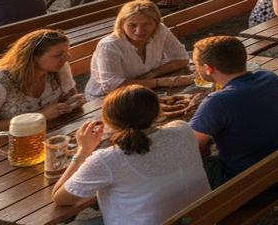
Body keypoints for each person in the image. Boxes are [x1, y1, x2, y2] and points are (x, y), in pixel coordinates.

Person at [53, 84, 210, 224]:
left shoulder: (106, 159)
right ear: (158, 112)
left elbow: (61, 199)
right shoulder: (182, 129)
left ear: (108, 121)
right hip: (201, 217)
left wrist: (83, 151)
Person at [188, 36, 278, 199]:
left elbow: (190, 147)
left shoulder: (218, 101)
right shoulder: (269, 77)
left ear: (208, 68)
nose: (195, 69)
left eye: (195, 64)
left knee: (177, 174)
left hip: (253, 189)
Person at [0, 29, 84, 152]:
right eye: (58, 55)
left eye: (67, 51)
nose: (66, 58)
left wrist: (70, 103)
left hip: (33, 136)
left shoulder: (59, 69)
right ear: (33, 57)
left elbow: (67, 97)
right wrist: (40, 115)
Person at [86, 0, 191, 97]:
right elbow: (112, 86)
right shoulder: (109, 46)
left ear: (156, 23)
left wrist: (152, 74)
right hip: (104, 98)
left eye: (146, 24)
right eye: (132, 25)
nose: (139, 31)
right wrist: (159, 82)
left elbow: (181, 58)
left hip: (145, 89)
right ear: (121, 25)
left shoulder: (160, 31)